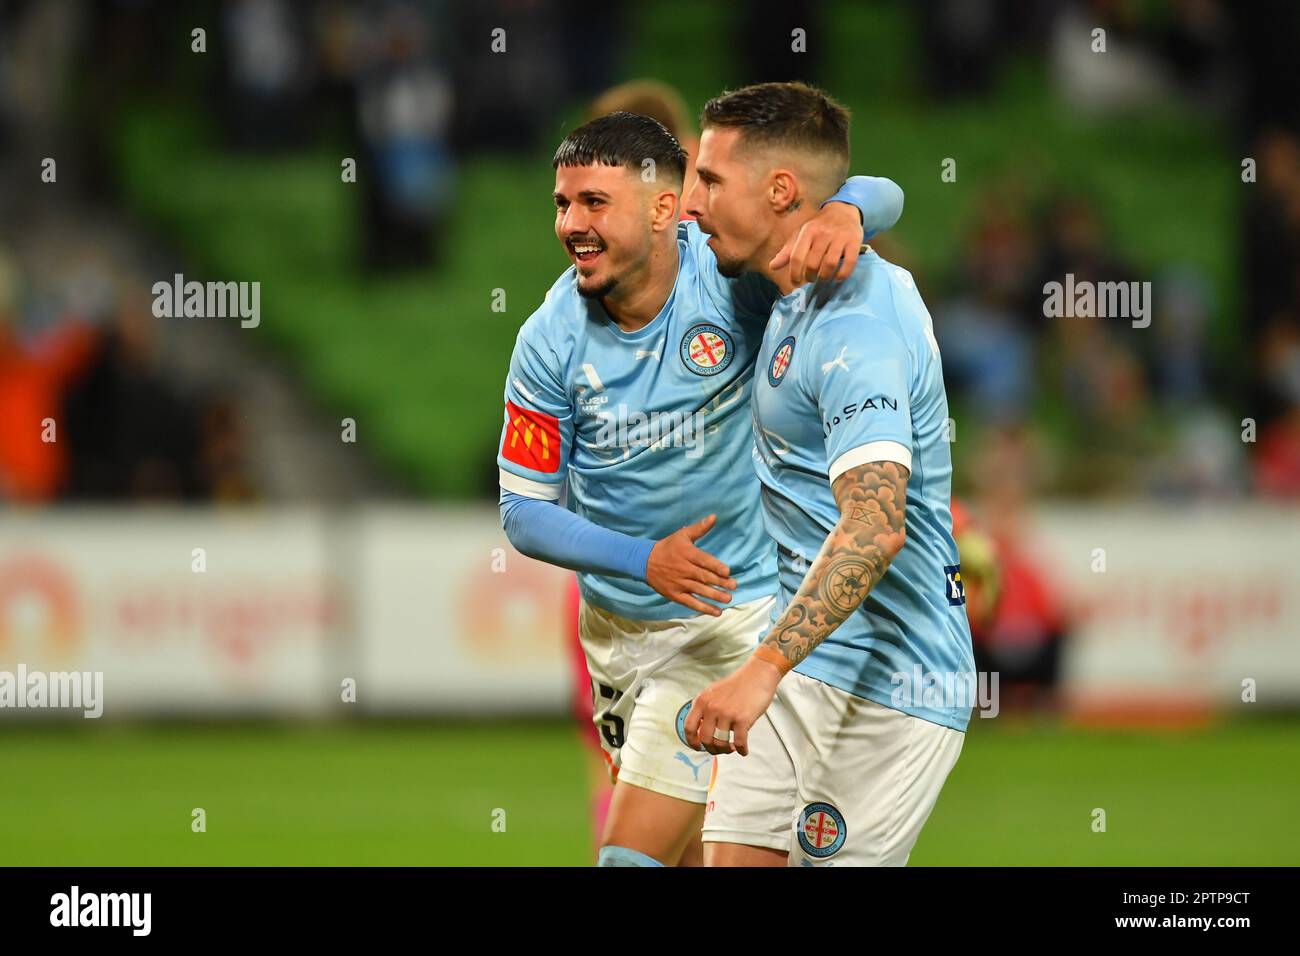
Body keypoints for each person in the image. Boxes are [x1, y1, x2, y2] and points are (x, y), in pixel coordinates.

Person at [497, 109, 903, 866]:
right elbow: (523, 511)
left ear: (662, 209)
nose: (572, 225)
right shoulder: (547, 339)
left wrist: (848, 209)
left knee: (628, 856)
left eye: (594, 203)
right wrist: (643, 559)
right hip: (617, 638)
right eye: (562, 204)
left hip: (730, 621)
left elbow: (884, 194)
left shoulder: (729, 283)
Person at [682, 82, 974, 867]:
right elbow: (878, 189)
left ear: (779, 191)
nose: (689, 203)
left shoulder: (857, 325)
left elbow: (875, 527)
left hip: (891, 681)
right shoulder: (781, 288)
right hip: (803, 657)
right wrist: (854, 203)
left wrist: (760, 671)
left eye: (709, 181)